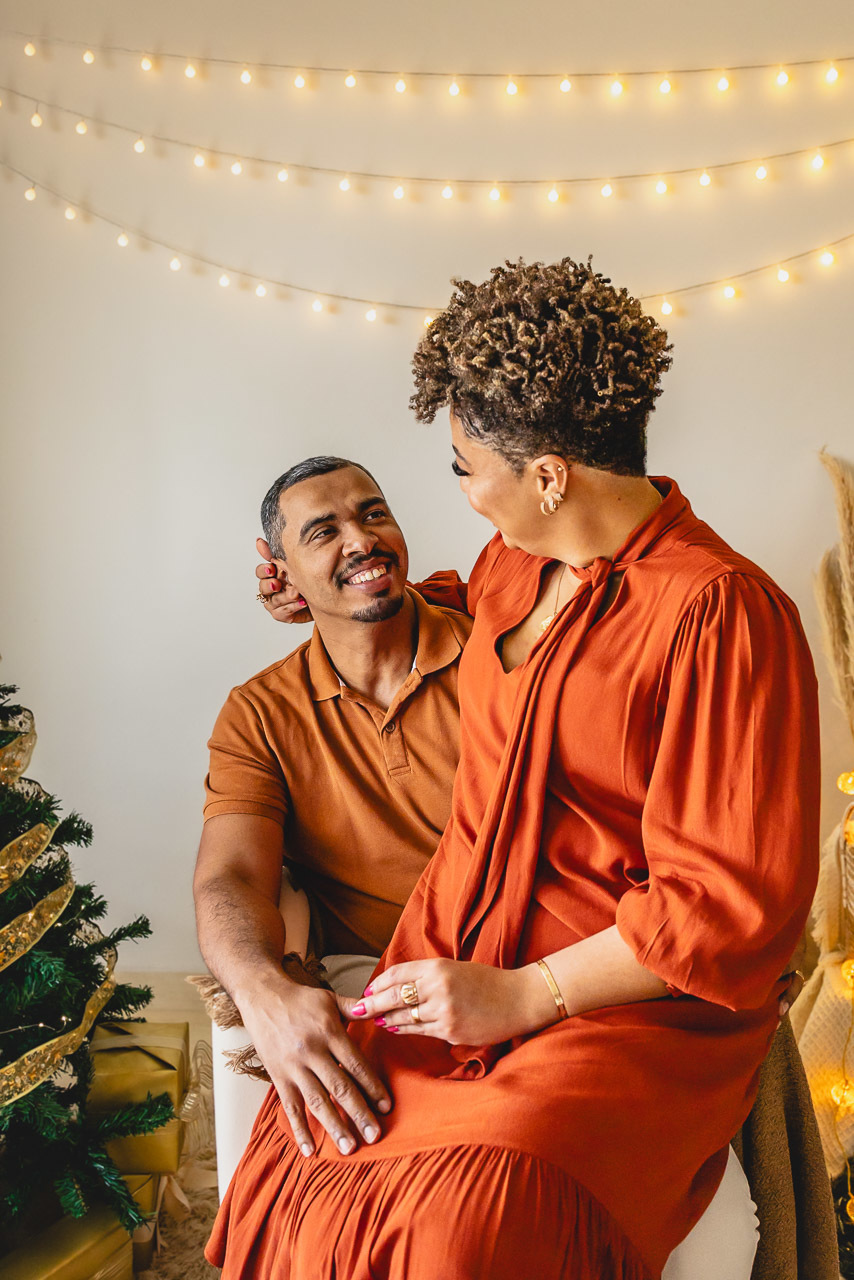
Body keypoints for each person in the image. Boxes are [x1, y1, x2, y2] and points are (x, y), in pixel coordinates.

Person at [205, 258, 823, 1279]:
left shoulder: (720, 612)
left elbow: (728, 903)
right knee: (302, 1159)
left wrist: (524, 994)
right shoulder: (507, 565)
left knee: (468, 1222)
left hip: (614, 1006)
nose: (456, 487)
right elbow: (447, 612)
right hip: (450, 954)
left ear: (547, 475)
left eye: (461, 464)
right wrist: (324, 591)